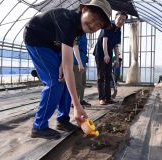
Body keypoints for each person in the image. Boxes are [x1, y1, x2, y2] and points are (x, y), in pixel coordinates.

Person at [23, 0, 111, 139]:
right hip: (37, 39)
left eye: (99, 25)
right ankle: (39, 127)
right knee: (55, 82)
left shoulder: (79, 29)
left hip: (53, 44)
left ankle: (62, 120)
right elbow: (68, 68)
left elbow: (66, 55)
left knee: (65, 79)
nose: (93, 25)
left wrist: (63, 63)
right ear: (84, 9)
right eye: (93, 19)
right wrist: (77, 105)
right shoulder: (68, 20)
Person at [93, 11, 127, 105]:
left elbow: (116, 46)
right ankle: (102, 98)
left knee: (108, 76)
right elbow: (104, 40)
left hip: (108, 53)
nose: (121, 21)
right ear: (115, 18)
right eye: (120, 19)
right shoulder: (107, 26)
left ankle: (108, 98)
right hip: (100, 53)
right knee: (101, 76)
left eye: (123, 20)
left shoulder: (118, 31)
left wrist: (116, 59)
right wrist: (106, 54)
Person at [73, 33, 91, 107]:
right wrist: (79, 63)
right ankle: (75, 103)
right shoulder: (78, 33)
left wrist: (85, 58)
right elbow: (75, 47)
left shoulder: (84, 34)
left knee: (83, 83)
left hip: (82, 61)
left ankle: (80, 100)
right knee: (78, 84)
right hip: (77, 62)